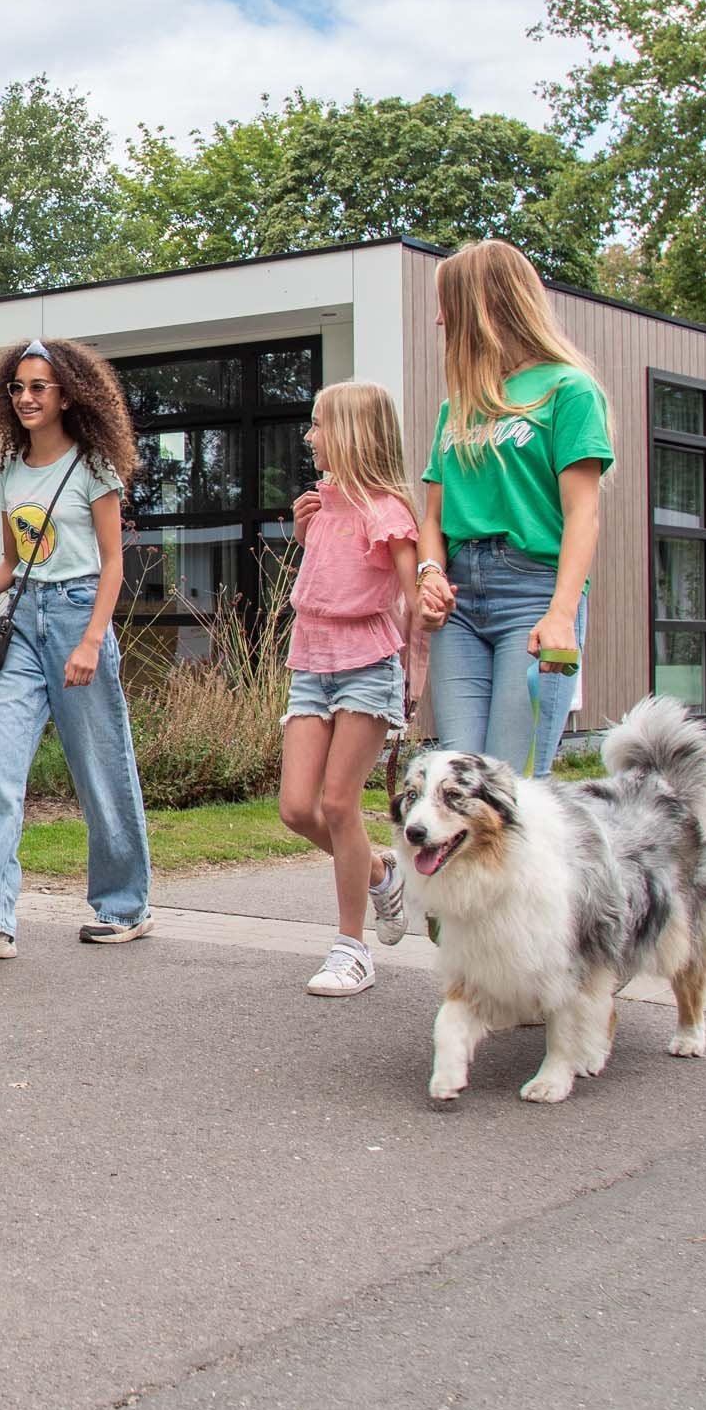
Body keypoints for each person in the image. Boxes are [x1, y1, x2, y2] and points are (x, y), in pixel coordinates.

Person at [0, 336, 153, 960]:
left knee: (101, 768)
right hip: (26, 625)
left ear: (67, 395)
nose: (26, 397)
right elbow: (14, 562)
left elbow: (115, 564)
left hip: (78, 616)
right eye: (17, 388)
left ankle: (124, 906)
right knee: (3, 774)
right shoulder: (10, 471)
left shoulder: (93, 467)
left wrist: (92, 640)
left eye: (39, 387)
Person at [416, 239, 614, 778]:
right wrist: (429, 574)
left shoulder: (568, 390)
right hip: (458, 604)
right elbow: (432, 517)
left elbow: (583, 515)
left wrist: (562, 615)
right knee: (456, 781)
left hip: (531, 593)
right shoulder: (455, 408)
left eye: (447, 306)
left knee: (510, 788)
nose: (439, 321)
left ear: (483, 307)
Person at [280, 381, 419, 997]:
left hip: (367, 663)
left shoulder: (388, 511)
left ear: (354, 433)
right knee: (296, 809)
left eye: (318, 425)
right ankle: (382, 872)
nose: (309, 436)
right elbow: (322, 577)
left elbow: (413, 604)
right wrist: (301, 533)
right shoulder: (321, 501)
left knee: (340, 806)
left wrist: (412, 688)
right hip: (311, 661)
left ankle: (351, 948)